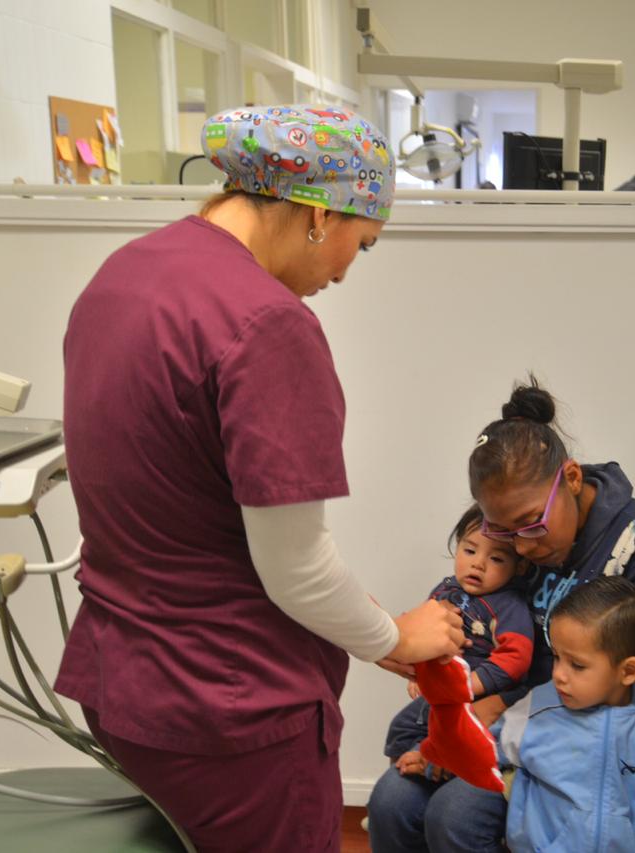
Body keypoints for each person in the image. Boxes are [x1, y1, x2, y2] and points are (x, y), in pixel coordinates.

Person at [55, 104, 466, 853]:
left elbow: (190, 511)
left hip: (126, 682)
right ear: (316, 209)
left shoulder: (127, 274)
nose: (343, 271)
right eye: (360, 245)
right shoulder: (266, 324)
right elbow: (297, 571)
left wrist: (362, 622)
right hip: (229, 711)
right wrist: (395, 635)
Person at [367, 377, 635, 853]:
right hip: (500, 707)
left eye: (532, 524)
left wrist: (497, 716)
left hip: (574, 733)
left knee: (455, 814)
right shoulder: (521, 539)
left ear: (573, 479)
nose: (523, 547)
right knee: (391, 800)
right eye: (502, 532)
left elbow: (610, 682)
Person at [494, 576, 635, 852]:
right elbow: (481, 749)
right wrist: (433, 756)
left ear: (628, 671)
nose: (558, 675)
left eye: (576, 665)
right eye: (556, 657)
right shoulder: (538, 708)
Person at [385, 505, 533, 778]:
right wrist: (418, 672)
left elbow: (516, 657)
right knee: (401, 729)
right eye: (470, 550)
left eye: (497, 559)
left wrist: (467, 686)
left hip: (477, 698)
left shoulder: (510, 606)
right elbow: (422, 634)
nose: (478, 563)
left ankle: (432, 767)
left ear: (519, 566)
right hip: (440, 692)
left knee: (455, 739)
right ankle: (407, 768)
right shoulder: (446, 590)